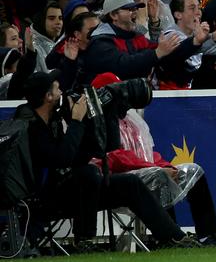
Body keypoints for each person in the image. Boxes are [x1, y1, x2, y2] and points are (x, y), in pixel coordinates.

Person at [14, 71, 200, 250]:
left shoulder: (54, 119)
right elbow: (62, 159)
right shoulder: (31, 126)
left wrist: (91, 119)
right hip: (47, 198)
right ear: (47, 96)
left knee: (130, 183)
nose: (61, 93)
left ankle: (173, 237)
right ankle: (83, 240)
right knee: (88, 173)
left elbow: (95, 152)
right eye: (56, 89)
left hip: (76, 190)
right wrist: (77, 121)